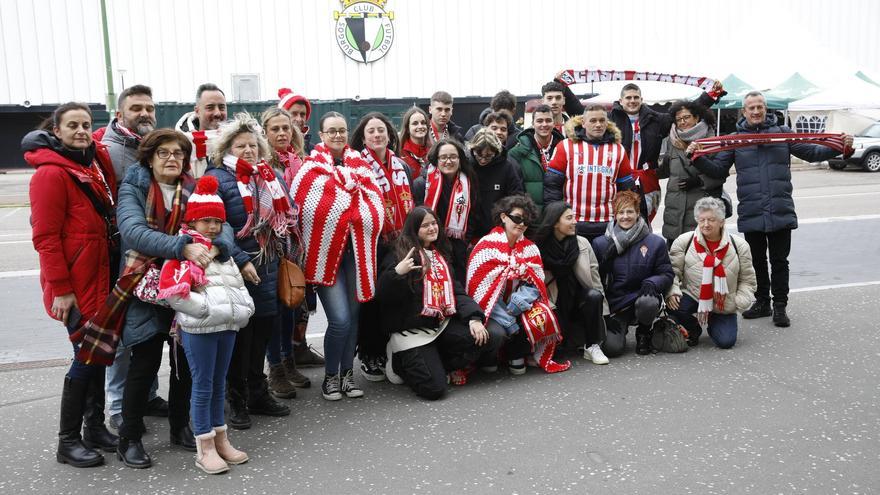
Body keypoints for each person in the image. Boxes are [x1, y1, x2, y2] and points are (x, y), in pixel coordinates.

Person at [688, 91, 854, 328]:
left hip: (780, 207)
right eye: (751, 108)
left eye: (760, 107)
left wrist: (841, 148)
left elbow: (812, 153)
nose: (756, 112)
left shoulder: (783, 135)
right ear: (744, 112)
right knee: (755, 261)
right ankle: (762, 301)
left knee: (779, 261)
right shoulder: (735, 140)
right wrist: (696, 158)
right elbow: (717, 171)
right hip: (752, 208)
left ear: (765, 109)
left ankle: (780, 307)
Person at [25, 102, 118, 468]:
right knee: (84, 357)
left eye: (85, 124)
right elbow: (45, 238)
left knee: (96, 356)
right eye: (72, 125)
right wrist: (62, 289)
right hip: (76, 285)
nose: (81, 130)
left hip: (98, 277)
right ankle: (68, 441)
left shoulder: (89, 164)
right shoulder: (51, 174)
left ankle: (94, 426)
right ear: (57, 131)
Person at [114, 129, 208, 468]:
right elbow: (134, 231)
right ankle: (130, 437)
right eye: (164, 153)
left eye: (178, 154)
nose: (172, 159)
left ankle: (179, 426)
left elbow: (217, 225)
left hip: (186, 284)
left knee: (184, 361)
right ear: (150, 158)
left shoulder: (194, 188)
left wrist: (217, 245)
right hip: (143, 283)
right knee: (145, 361)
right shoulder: (134, 186)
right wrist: (182, 246)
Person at [159, 174, 254, 474]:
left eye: (217, 221)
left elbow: (236, 286)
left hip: (226, 326)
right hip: (200, 328)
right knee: (202, 385)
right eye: (205, 221)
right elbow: (173, 292)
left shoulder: (223, 255)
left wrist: (243, 310)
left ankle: (221, 439)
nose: (212, 227)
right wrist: (205, 310)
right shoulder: (185, 252)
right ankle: (205, 447)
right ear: (192, 223)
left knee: (217, 384)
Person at [207, 113, 295, 429]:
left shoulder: (268, 175)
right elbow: (214, 227)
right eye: (240, 145)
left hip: (268, 263)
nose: (248, 151)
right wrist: (240, 257)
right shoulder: (217, 178)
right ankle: (237, 399)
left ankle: (258, 392)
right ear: (226, 148)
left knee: (262, 333)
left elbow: (287, 214)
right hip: (234, 267)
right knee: (240, 337)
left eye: (252, 145)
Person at [291, 111, 385, 401]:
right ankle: (331, 376)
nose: (337, 136)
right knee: (341, 319)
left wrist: (352, 213)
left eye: (342, 130)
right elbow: (306, 208)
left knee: (354, 318)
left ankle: (347, 374)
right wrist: (347, 206)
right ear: (321, 135)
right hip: (326, 256)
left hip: (357, 254)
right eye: (331, 131)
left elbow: (375, 206)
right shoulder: (310, 169)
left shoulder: (363, 167)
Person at [556, 74, 724, 224]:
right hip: (619, 178)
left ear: (641, 99)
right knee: (622, 221)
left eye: (636, 97)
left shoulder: (656, 119)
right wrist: (564, 88)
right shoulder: (609, 119)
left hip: (647, 178)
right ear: (621, 101)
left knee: (644, 223)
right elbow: (580, 111)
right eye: (628, 98)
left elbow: (685, 111)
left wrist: (710, 95)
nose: (632, 101)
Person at [377, 207, 501, 396]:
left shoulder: (439, 253)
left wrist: (474, 318)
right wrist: (397, 274)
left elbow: (457, 292)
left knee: (490, 335)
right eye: (425, 225)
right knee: (434, 389)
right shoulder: (399, 254)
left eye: (434, 223)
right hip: (412, 331)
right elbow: (382, 297)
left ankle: (438, 363)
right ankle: (398, 362)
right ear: (413, 228)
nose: (432, 228)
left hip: (440, 325)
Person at [100, 84, 166, 431]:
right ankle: (116, 408)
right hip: (120, 257)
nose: (144, 113)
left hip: (150, 257)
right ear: (120, 113)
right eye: (136, 107)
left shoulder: (153, 147)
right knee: (123, 336)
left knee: (149, 332)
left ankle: (148, 395)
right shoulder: (108, 151)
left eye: (149, 108)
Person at [467, 195, 571, 375]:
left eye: (526, 220)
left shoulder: (531, 248)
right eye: (516, 218)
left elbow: (536, 284)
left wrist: (518, 303)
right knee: (497, 333)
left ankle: (516, 353)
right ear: (503, 217)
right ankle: (489, 356)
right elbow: (479, 290)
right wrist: (506, 314)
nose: (521, 223)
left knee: (544, 315)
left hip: (519, 305)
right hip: (492, 310)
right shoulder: (485, 247)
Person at [350, 112, 416, 381]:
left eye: (381, 130)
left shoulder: (403, 166)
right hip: (371, 244)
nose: (377, 135)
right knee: (372, 299)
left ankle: (392, 347)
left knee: (398, 296)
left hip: (401, 242)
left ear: (390, 134)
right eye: (371, 131)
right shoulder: (357, 167)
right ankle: (369, 352)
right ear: (363, 138)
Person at [259, 107, 311, 398]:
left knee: (292, 303)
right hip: (272, 246)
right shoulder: (263, 165)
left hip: (295, 245)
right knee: (274, 311)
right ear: (264, 133)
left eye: (286, 128)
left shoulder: (300, 162)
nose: (281, 134)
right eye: (275, 129)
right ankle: (275, 368)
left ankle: (289, 361)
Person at [666, 197, 757, 348]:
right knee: (672, 305)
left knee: (726, 342)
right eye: (702, 220)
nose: (706, 224)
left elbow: (748, 280)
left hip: (723, 302)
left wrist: (738, 302)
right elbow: (673, 272)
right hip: (694, 294)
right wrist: (673, 291)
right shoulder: (684, 241)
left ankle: (714, 321)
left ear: (722, 221)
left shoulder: (739, 245)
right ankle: (693, 327)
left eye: (711, 220)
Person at [592, 191, 673, 357]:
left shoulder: (655, 242)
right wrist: (605, 314)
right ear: (615, 215)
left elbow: (666, 273)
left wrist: (653, 282)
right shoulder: (601, 244)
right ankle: (618, 328)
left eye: (630, 212)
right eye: (621, 212)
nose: (625, 216)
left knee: (648, 302)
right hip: (616, 304)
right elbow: (595, 281)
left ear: (638, 213)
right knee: (612, 349)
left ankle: (644, 332)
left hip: (642, 297)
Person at [544, 105, 635, 242]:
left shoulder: (618, 149)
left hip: (607, 222)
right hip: (574, 222)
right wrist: (557, 218)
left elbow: (626, 191)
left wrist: (624, 219)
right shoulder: (565, 146)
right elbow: (552, 187)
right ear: (583, 123)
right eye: (593, 120)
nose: (598, 125)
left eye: (602, 120)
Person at [534, 201, 609, 364]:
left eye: (574, 217)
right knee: (557, 353)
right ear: (554, 222)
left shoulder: (581, 243)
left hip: (578, 300)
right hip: (552, 302)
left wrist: (604, 315)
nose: (575, 221)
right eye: (569, 218)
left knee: (594, 295)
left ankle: (592, 346)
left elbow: (595, 282)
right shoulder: (537, 248)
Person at [657, 100, 726, 246]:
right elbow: (665, 171)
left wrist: (699, 181)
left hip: (701, 210)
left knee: (700, 261)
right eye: (679, 119)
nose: (682, 122)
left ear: (697, 118)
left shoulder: (711, 141)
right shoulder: (673, 141)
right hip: (674, 212)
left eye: (686, 117)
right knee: (675, 260)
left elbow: (720, 174)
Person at [411, 139, 478, 286]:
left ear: (460, 159)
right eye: (443, 157)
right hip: (430, 245)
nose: (449, 161)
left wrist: (465, 239)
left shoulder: (469, 182)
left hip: (458, 246)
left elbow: (473, 214)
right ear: (436, 159)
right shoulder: (422, 184)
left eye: (453, 157)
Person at [467, 128, 525, 239]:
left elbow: (517, 197)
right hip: (471, 229)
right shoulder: (467, 165)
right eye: (479, 155)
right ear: (472, 149)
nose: (483, 160)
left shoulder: (507, 167)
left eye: (488, 156)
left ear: (496, 152)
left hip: (499, 230)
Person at [508, 104, 565, 212]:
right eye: (539, 121)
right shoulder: (517, 152)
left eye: (548, 120)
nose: (544, 124)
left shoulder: (565, 148)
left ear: (554, 123)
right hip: (531, 215)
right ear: (533, 124)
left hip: (558, 214)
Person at [102, 84, 157, 179]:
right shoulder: (105, 153)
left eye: (149, 109)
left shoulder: (161, 146)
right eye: (136, 109)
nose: (145, 114)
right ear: (119, 116)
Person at [175, 83, 228, 177]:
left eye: (221, 107)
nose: (217, 113)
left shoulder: (237, 141)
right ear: (197, 111)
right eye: (210, 108)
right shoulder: (180, 142)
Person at [277, 87, 314, 154]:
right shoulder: (269, 149)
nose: (299, 119)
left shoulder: (313, 151)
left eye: (302, 114)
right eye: (294, 114)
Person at [398, 106, 431, 178]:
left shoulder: (433, 151)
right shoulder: (399, 153)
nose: (420, 126)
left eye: (423, 123)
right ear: (407, 129)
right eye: (415, 123)